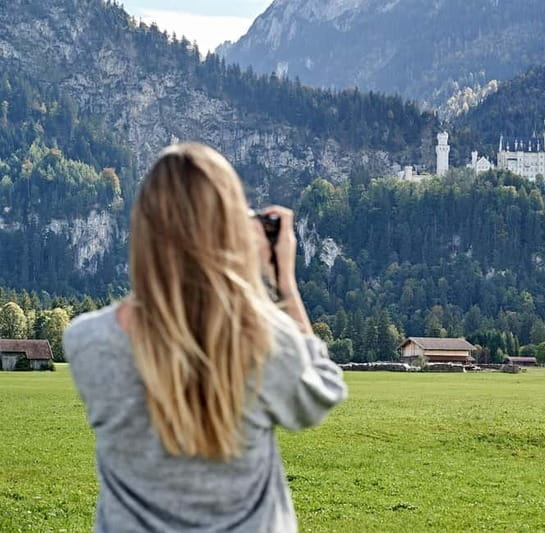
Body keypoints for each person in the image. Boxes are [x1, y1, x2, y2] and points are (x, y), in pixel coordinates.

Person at [64, 143, 347, 532]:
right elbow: (319, 394)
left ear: (145, 229)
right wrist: (283, 282)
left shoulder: (87, 342)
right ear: (229, 229)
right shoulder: (260, 340)